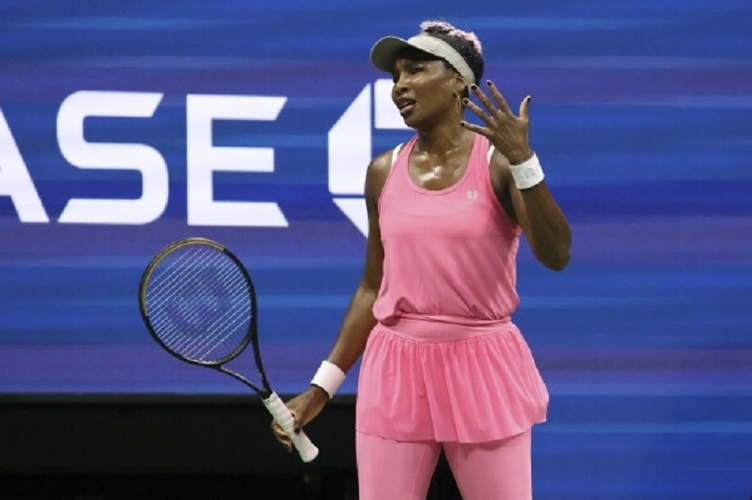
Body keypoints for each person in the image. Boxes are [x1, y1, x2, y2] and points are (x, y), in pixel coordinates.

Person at [273, 20, 572, 499]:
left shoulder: (499, 163)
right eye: (395, 77)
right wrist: (321, 387)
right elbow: (373, 287)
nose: (400, 86)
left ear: (457, 80)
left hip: (484, 366)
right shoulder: (381, 172)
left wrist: (524, 162)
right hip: (395, 368)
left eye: (415, 71)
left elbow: (557, 255)